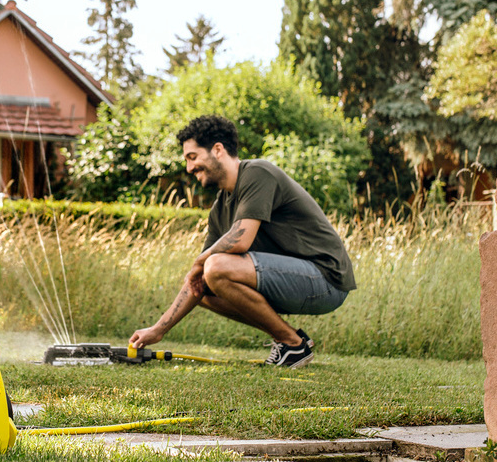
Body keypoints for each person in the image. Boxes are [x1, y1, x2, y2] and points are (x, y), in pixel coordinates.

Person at [129, 115, 355, 368]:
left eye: (192, 157)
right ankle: (291, 342)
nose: (189, 168)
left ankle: (291, 344)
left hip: (326, 279)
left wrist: (200, 263)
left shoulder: (257, 173)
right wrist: (158, 330)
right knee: (202, 289)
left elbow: (240, 239)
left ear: (217, 149)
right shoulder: (219, 209)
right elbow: (199, 278)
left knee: (214, 268)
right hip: (293, 281)